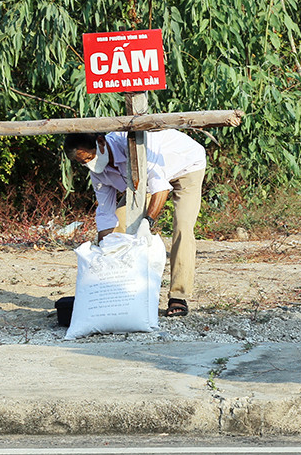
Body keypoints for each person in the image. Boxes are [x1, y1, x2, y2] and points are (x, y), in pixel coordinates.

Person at [64, 129, 206, 317]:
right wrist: (103, 249)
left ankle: (178, 296)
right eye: (83, 163)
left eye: (90, 157)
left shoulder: (132, 146)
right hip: (143, 182)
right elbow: (106, 213)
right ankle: (121, 291)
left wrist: (147, 222)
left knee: (183, 227)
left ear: (101, 142)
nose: (90, 164)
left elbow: (160, 188)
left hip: (185, 164)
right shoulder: (98, 172)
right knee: (118, 227)